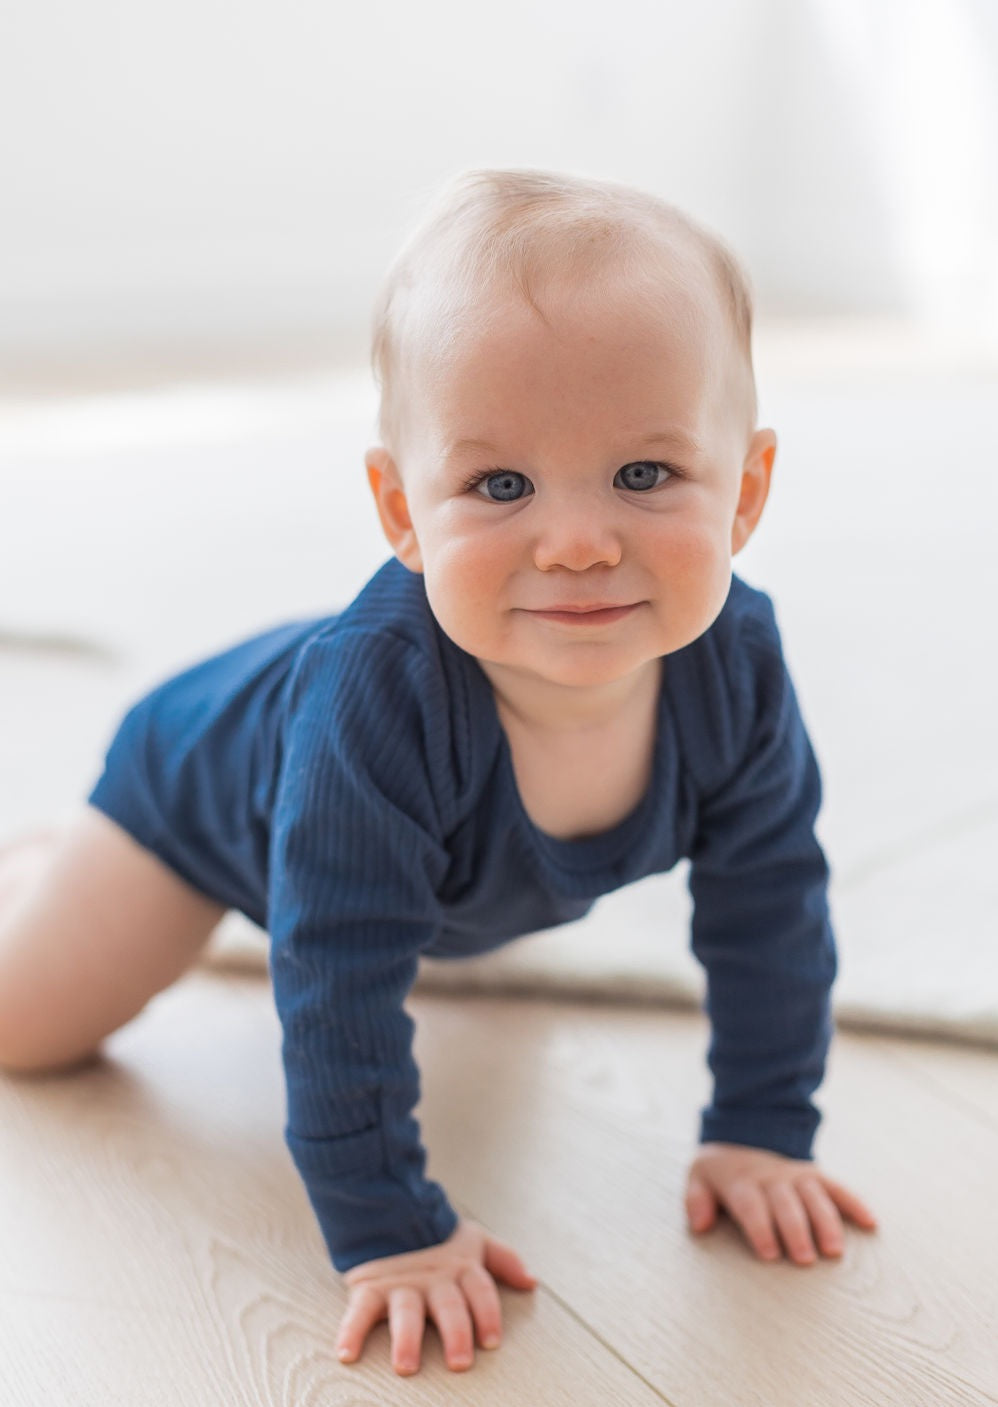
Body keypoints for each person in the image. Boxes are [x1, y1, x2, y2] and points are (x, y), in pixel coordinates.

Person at [0, 168, 878, 1378]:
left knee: (426, 901)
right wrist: (387, 1231)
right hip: (199, 801)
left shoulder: (735, 667)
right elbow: (338, 970)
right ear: (400, 511)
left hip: (428, 860)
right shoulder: (379, 704)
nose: (575, 542)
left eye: (643, 475)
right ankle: (50, 863)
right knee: (24, 1030)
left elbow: (770, 899)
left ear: (748, 491)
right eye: (499, 486)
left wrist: (762, 1128)